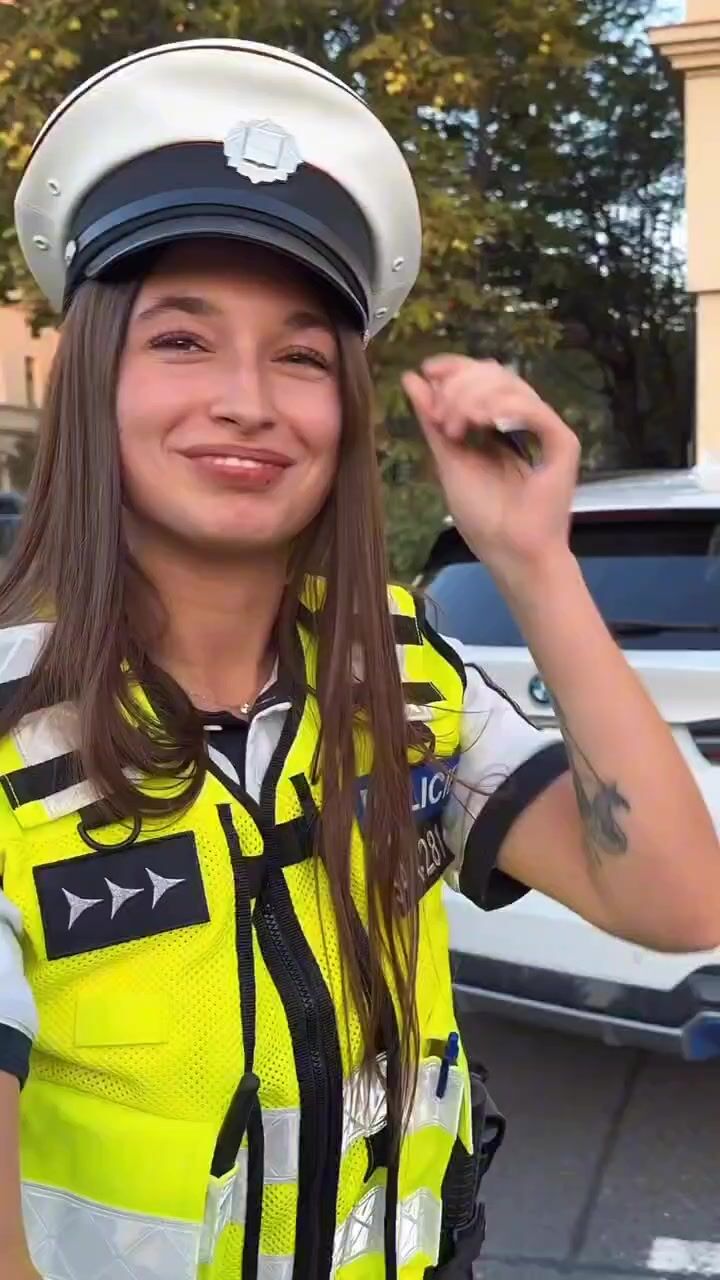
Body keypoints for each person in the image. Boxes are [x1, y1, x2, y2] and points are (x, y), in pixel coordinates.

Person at [0, 37, 718, 1280]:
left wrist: (533, 561)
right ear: (94, 378)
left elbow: (677, 901)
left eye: (300, 355)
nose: (248, 398)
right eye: (182, 341)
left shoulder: (402, 673)